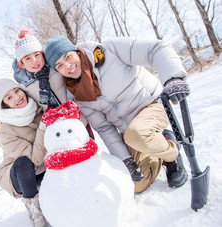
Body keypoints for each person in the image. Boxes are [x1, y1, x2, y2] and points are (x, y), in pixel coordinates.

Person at [44, 35, 189, 193]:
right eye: (59, 65)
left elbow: (154, 50)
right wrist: (125, 160)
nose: (68, 66)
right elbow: (104, 127)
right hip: (130, 131)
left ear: (77, 52)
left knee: (137, 133)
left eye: (68, 56)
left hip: (152, 104)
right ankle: (161, 140)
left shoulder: (109, 50)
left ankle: (172, 156)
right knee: (135, 185)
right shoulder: (75, 94)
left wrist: (172, 78)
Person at [12, 28, 143, 181]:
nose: (34, 61)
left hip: (77, 118)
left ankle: (97, 177)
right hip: (56, 128)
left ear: (42, 54)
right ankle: (78, 185)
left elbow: (75, 61)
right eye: (27, 59)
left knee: (87, 148)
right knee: (68, 158)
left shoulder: (55, 65)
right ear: (21, 64)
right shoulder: (24, 85)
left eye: (36, 55)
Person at [0, 78, 47, 227]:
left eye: (16, 91)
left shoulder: (38, 108)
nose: (17, 97)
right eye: (9, 97)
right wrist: (43, 127)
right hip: (20, 175)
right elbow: (35, 160)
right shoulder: (5, 129)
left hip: (44, 166)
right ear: (5, 105)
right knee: (23, 162)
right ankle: (35, 210)